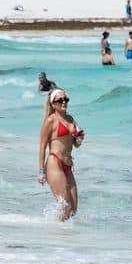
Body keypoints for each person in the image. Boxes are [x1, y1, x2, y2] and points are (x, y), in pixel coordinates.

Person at [37, 89, 84, 221]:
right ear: (53, 104)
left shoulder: (70, 119)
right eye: (60, 100)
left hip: (68, 165)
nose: (64, 102)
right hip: (55, 163)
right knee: (65, 206)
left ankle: (60, 230)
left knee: (73, 209)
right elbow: (42, 147)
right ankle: (57, 233)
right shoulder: (50, 121)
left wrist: (79, 139)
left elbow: (76, 144)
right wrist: (41, 171)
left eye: (66, 99)